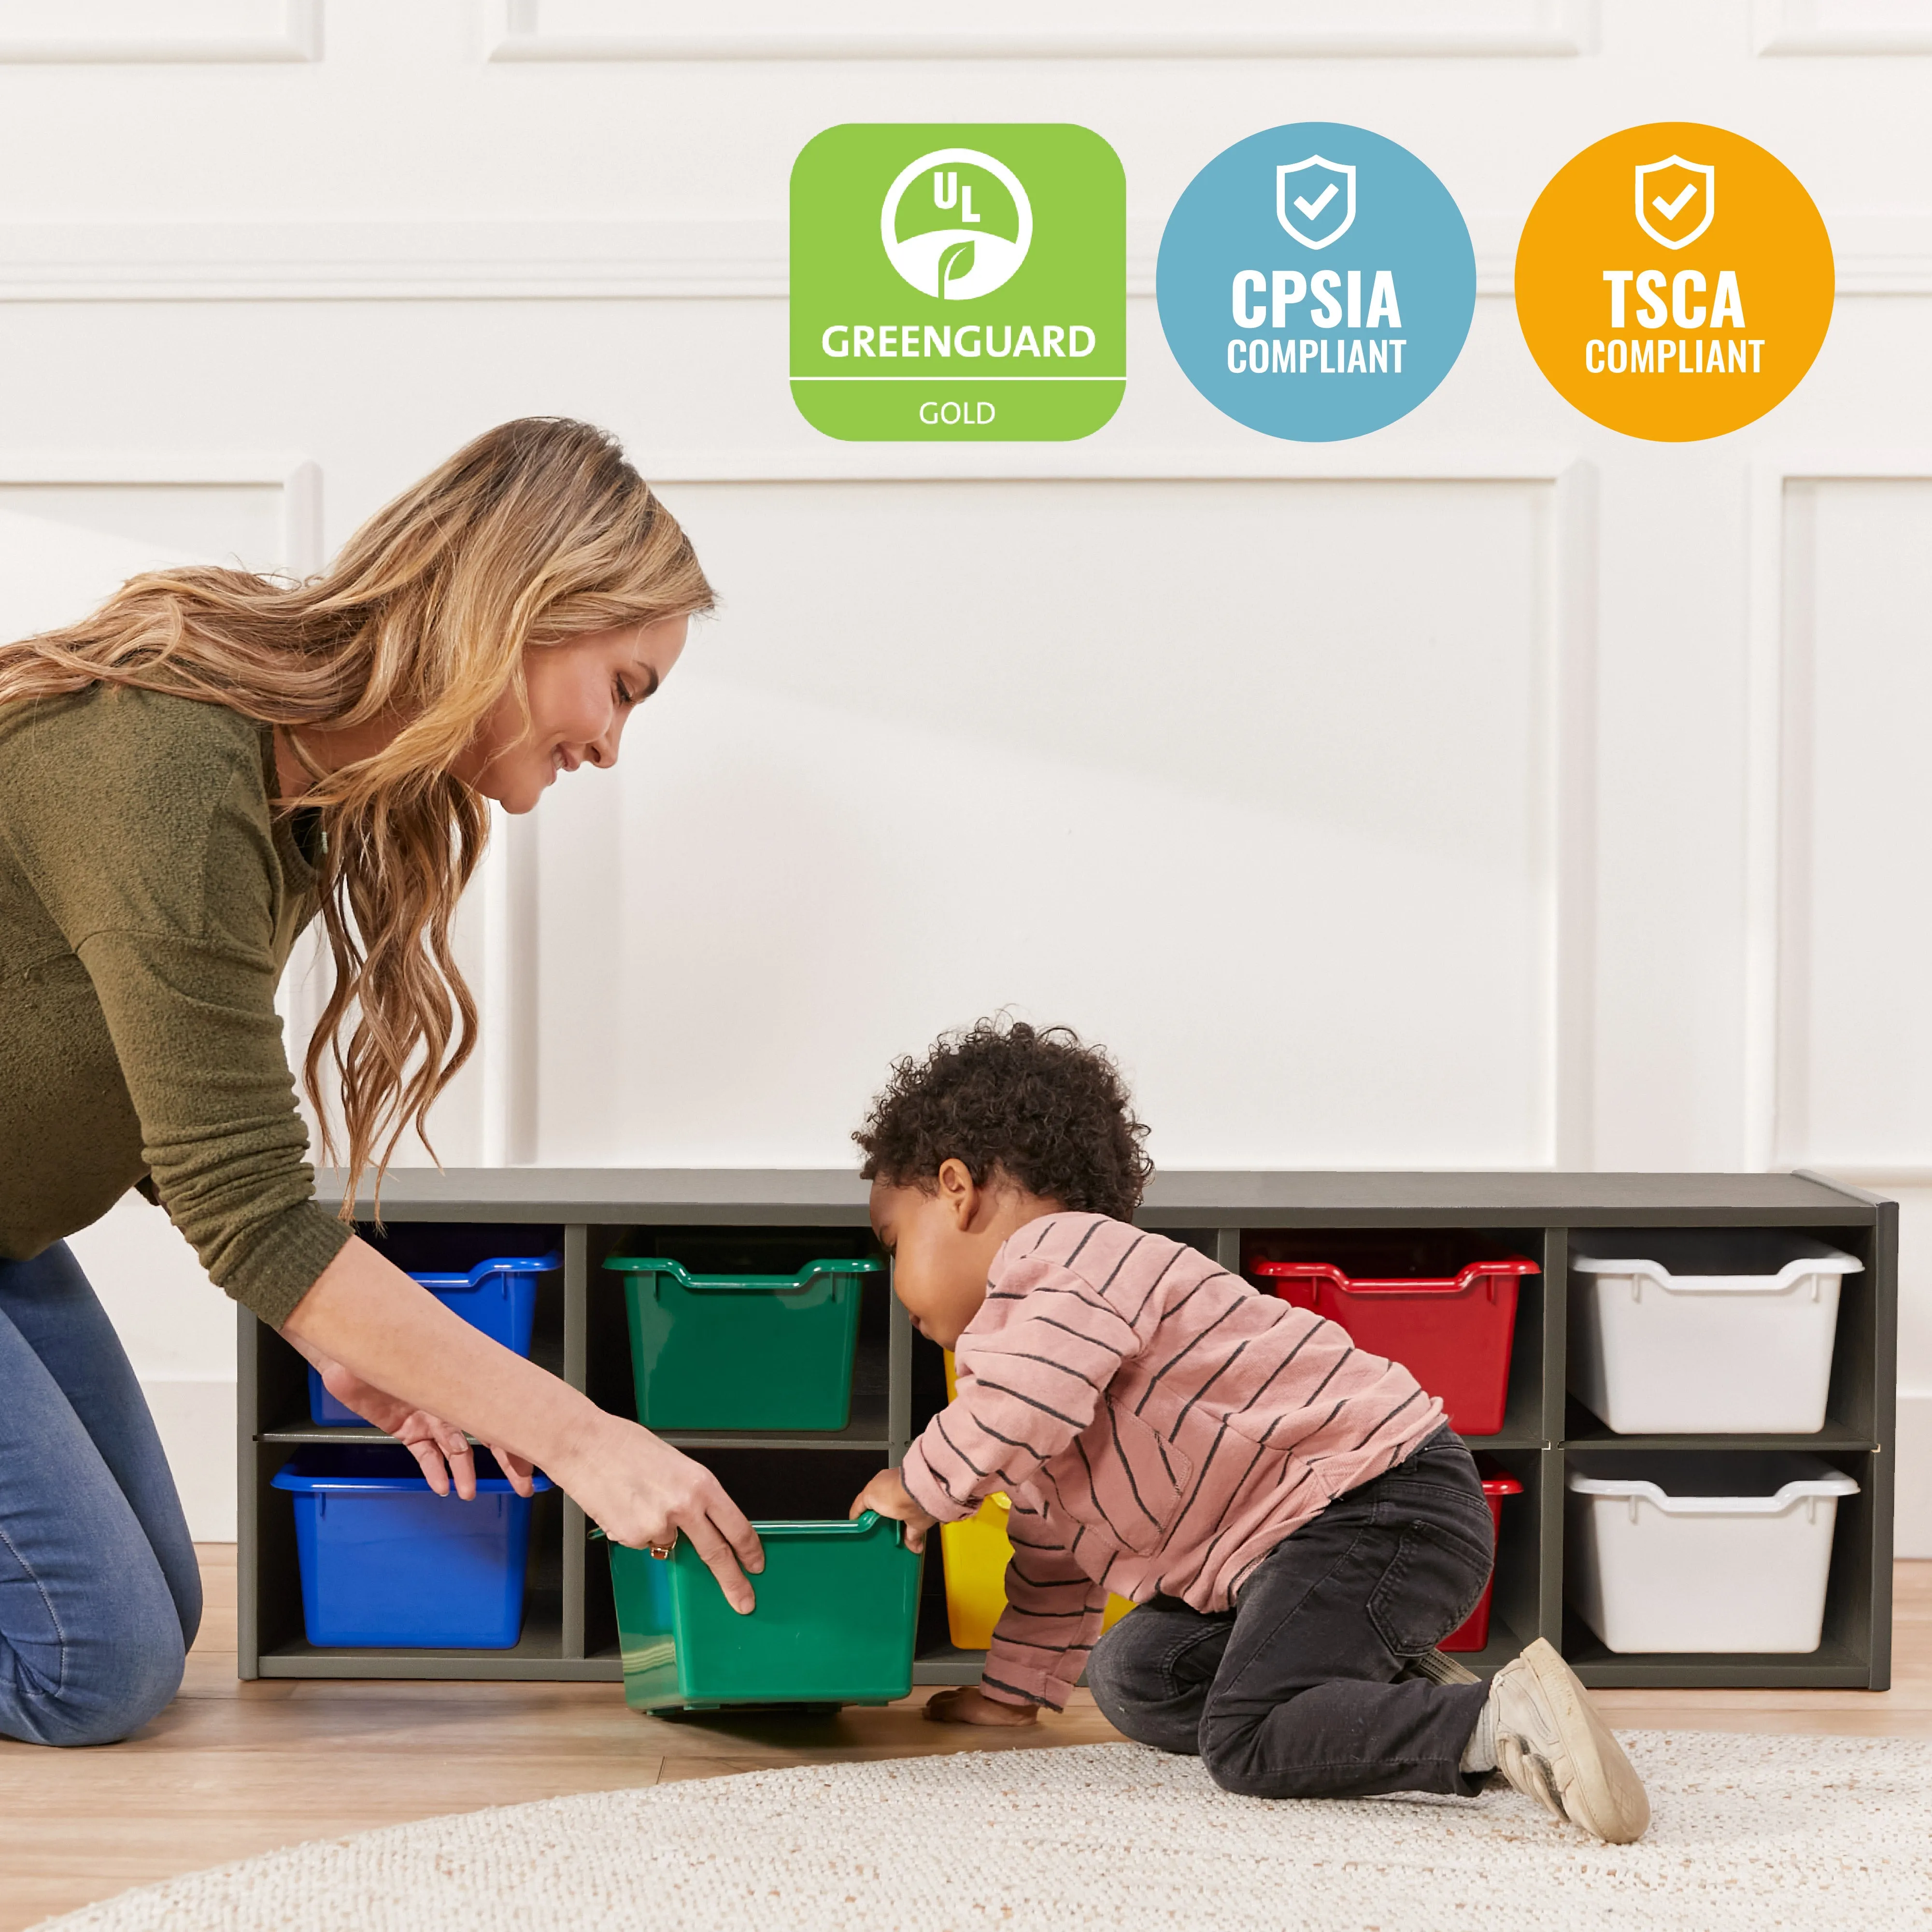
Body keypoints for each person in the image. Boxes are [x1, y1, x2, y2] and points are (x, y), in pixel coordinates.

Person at [0, 419, 764, 1748]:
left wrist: (329, 1338)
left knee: (159, 1612)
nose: (616, 744)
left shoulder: (300, 790)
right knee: (89, 1668)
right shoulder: (172, 763)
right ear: (529, 604)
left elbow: (172, 1121)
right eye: (626, 685)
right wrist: (587, 1440)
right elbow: (247, 1199)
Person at [847, 1018, 1649, 1844]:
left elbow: (1030, 1392)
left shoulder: (1069, 1258)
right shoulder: (1023, 1395)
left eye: (893, 1239)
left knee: (1244, 1739)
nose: (892, 1275)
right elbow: (1054, 1557)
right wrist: (1013, 1692)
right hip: (1294, 1558)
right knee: (1132, 1675)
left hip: (1381, 1502)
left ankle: (1493, 1727)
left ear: (957, 1188)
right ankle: (1379, 1677)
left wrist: (919, 1481)